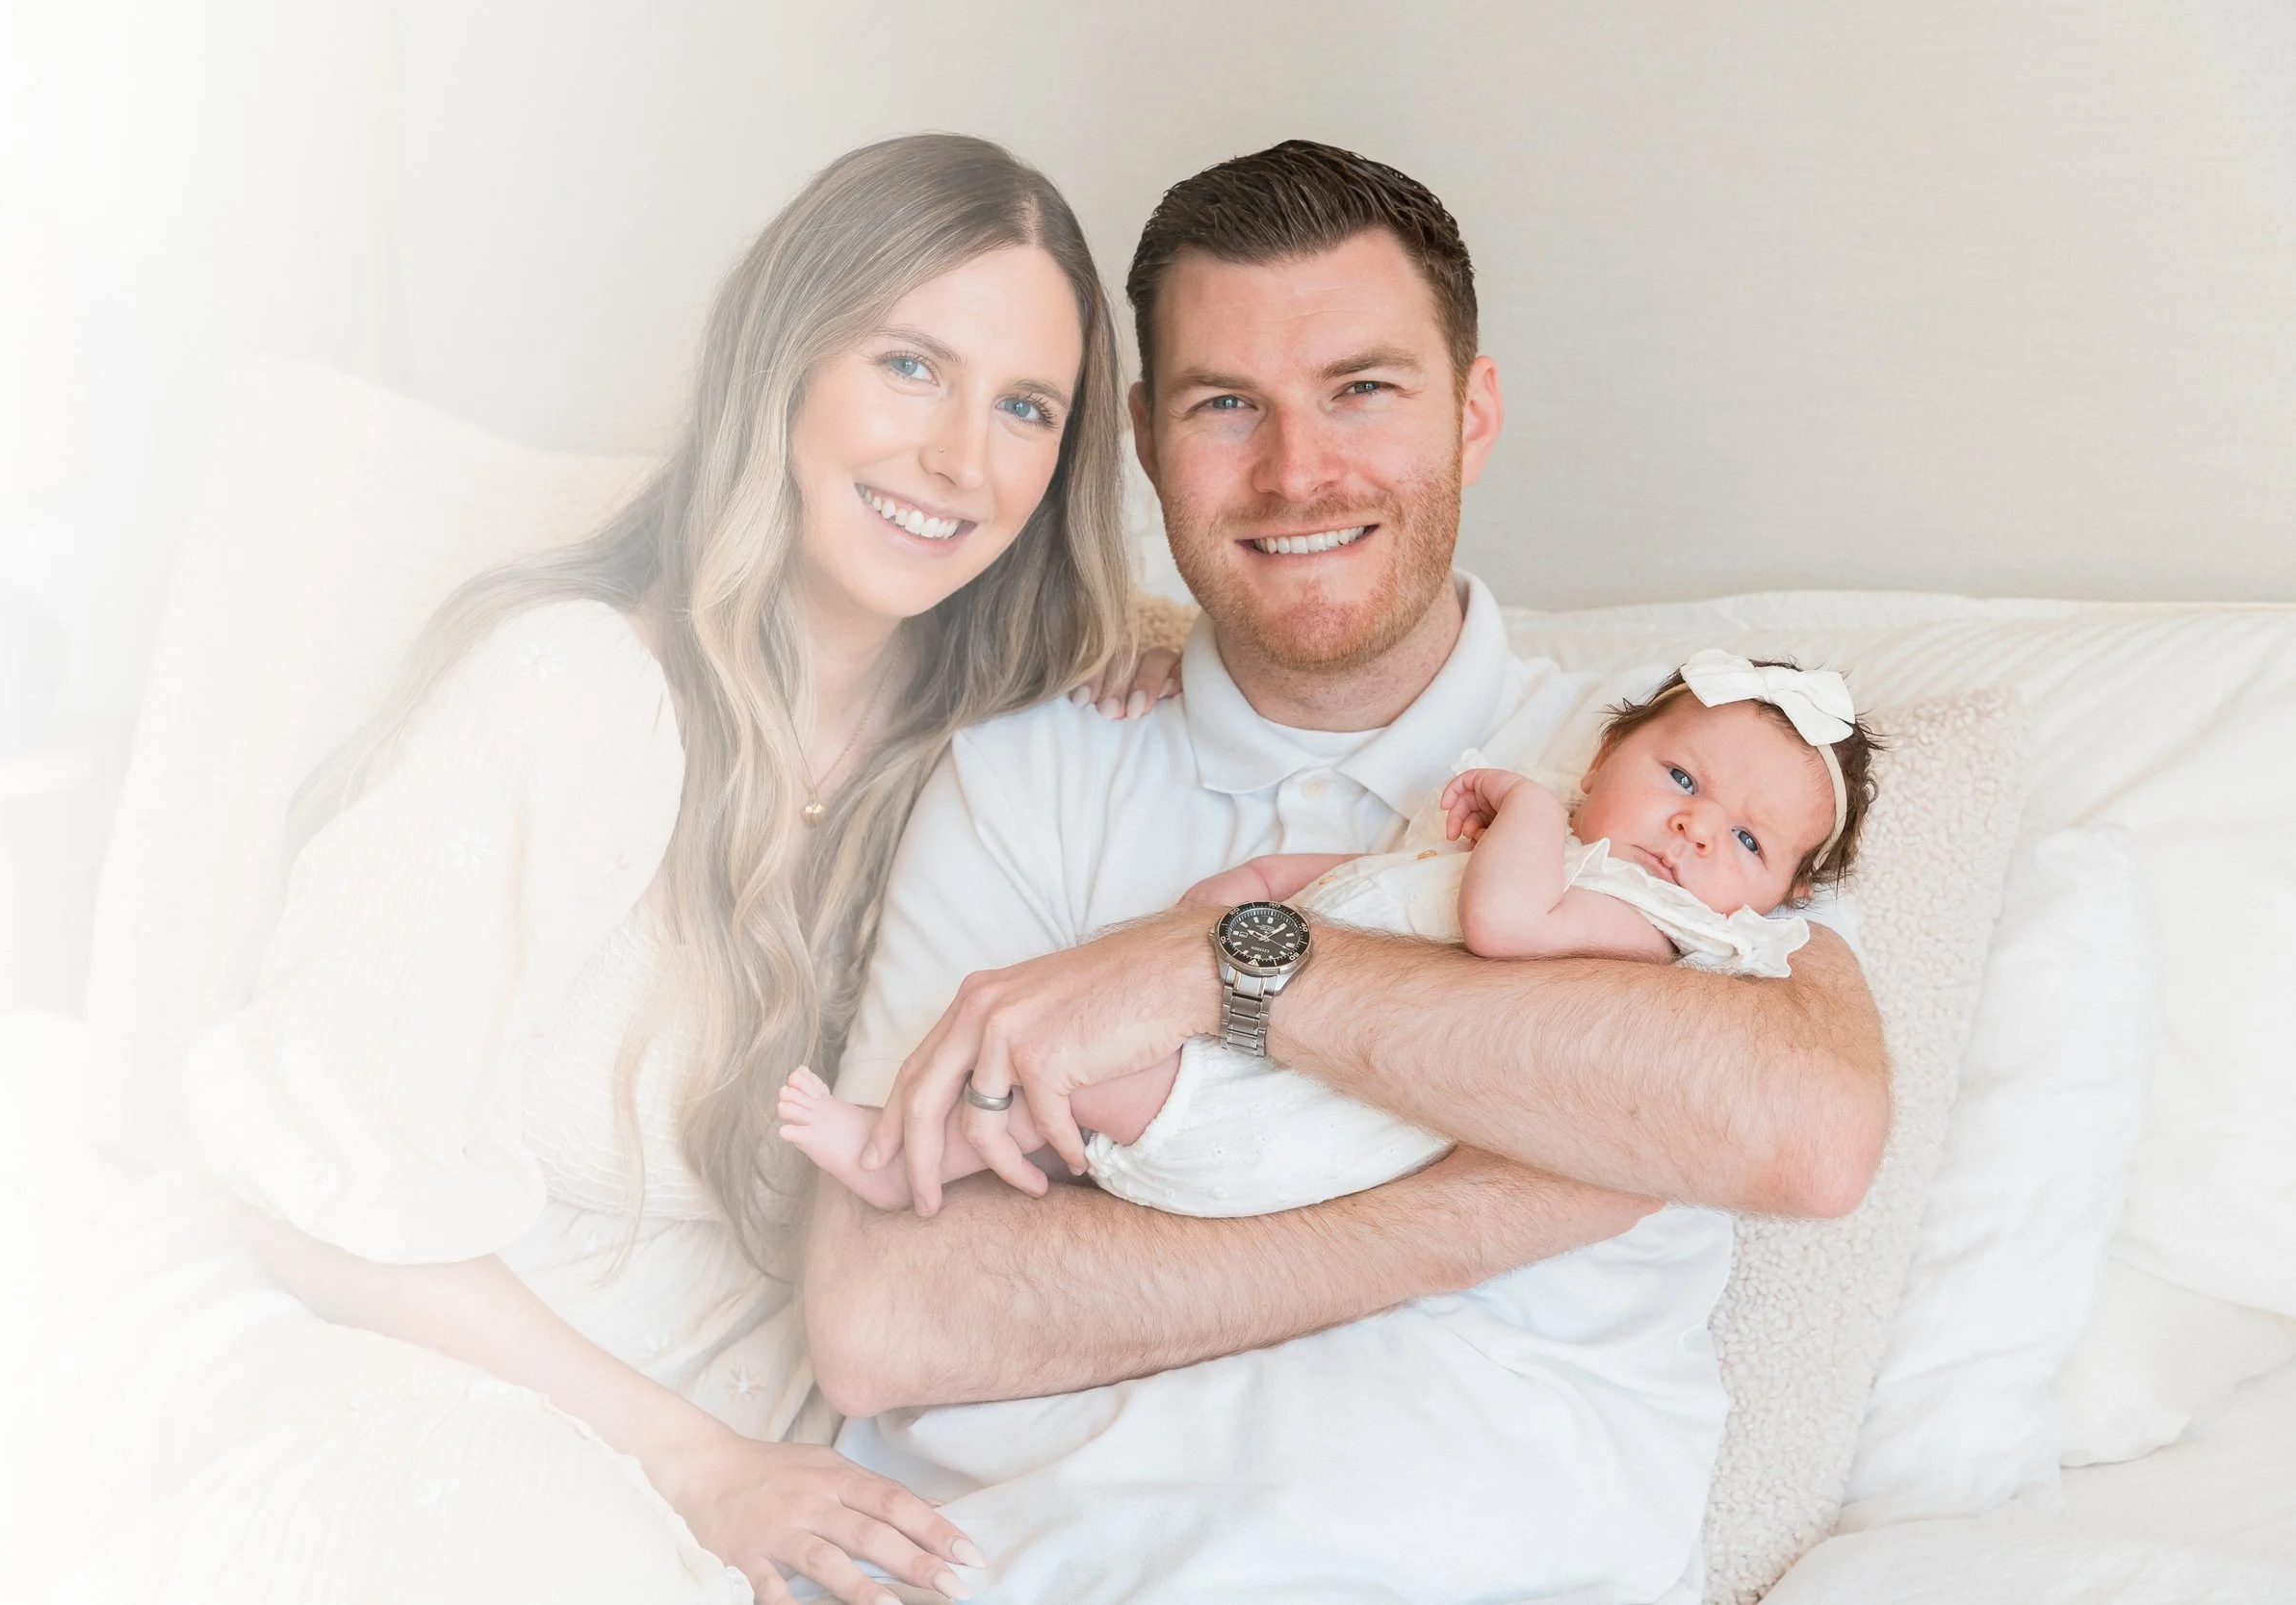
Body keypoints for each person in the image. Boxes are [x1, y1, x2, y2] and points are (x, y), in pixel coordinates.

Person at [57, 134, 1174, 1605]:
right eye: (909, 366)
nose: (962, 458)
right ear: (787, 362)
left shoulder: (995, 759)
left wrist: (1175, 640)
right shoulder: (576, 694)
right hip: (399, 1361)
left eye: (1024, 406)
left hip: (725, 1432)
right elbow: (317, 1202)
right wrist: (697, 1461)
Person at [805, 142, 1890, 1603]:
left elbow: (1809, 1127)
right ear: (1141, 438)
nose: (1297, 470)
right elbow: (884, 1316)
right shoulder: (1025, 780)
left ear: (1475, 413)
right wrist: (1527, 1178)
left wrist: (1227, 965)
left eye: (1363, 389)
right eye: (1224, 404)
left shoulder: (1667, 770)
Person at [777, 652, 1880, 1216]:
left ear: (1775, 903)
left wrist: (1528, 810)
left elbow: (1500, 925)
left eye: (1746, 842)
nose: (1692, 828)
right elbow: (1386, 887)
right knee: (1088, 1037)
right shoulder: (1561, 848)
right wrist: (1218, 911)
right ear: (1602, 761)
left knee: (1077, 1070)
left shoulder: (1652, 928)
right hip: (1274, 1010)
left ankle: (906, 1158)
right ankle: (919, 1145)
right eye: (1679, 777)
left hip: (1290, 1105)